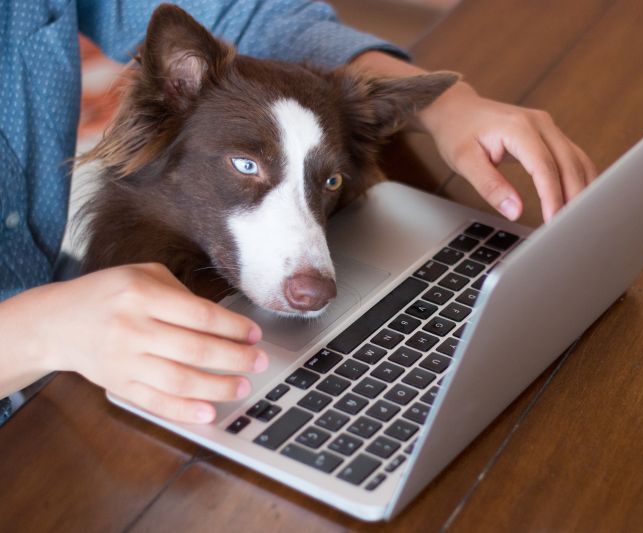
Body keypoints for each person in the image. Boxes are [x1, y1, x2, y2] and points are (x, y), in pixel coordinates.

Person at [0, 0, 596, 426]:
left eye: (329, 182)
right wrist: (38, 332)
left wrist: (447, 105)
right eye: (246, 167)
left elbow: (245, 11)